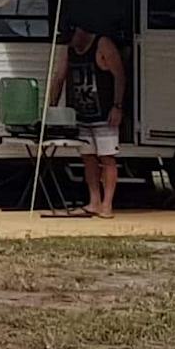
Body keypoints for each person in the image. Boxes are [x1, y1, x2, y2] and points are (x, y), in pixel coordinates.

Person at [59, 21, 128, 217]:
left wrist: (117, 106)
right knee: (87, 158)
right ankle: (94, 200)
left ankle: (108, 204)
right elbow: (58, 77)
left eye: (72, 40)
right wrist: (51, 110)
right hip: (81, 114)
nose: (72, 45)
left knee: (107, 158)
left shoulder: (102, 44)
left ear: (79, 32)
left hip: (104, 113)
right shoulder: (69, 49)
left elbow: (119, 75)